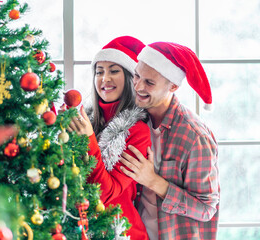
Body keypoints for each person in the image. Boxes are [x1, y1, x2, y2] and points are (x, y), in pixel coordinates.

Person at [119, 41, 220, 240]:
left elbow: (206, 209)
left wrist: (154, 181)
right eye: (137, 75)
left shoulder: (195, 138)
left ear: (173, 86)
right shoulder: (132, 120)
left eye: (149, 82)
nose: (138, 86)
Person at [68, 36, 151, 239]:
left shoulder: (138, 131)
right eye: (99, 72)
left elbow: (104, 194)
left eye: (114, 71)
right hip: (80, 230)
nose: (105, 79)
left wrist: (88, 140)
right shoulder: (83, 121)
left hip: (121, 232)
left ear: (130, 78)